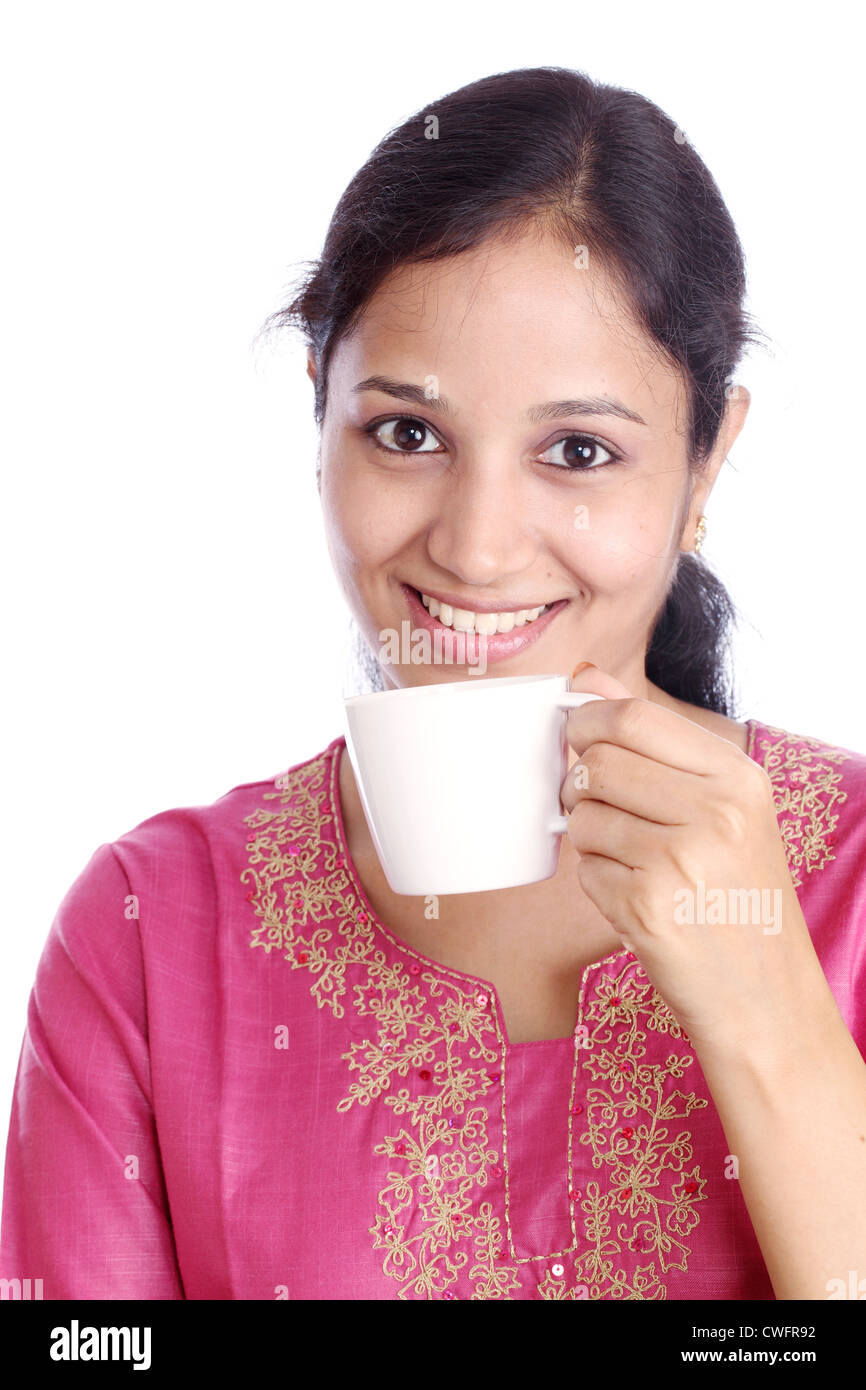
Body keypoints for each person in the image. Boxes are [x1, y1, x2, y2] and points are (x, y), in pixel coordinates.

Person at [2, 65, 865, 1303]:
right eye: (406, 433)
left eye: (577, 451)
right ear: (319, 415)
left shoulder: (852, 880)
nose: (474, 544)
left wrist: (771, 1016)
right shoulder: (146, 934)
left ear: (706, 456)